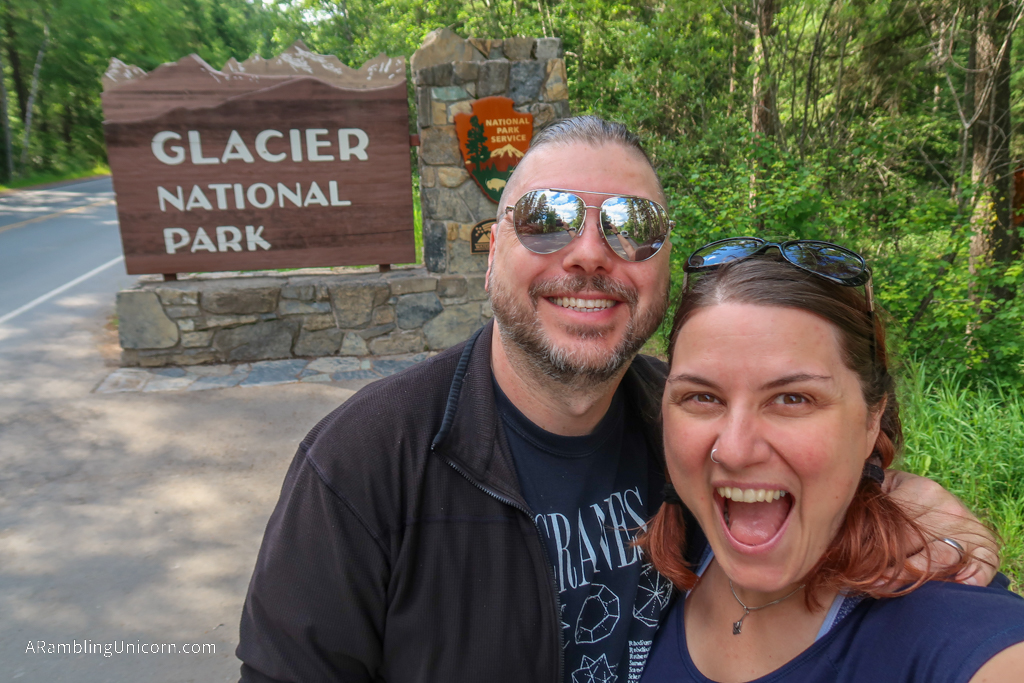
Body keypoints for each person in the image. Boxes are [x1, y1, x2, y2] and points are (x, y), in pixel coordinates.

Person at [236, 118, 993, 683]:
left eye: (632, 226)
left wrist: (890, 494)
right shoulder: (366, 462)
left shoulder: (692, 425)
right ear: (492, 251)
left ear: (663, 269)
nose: (591, 252)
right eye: (545, 220)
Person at [638, 239, 1024, 683]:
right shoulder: (667, 561)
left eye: (792, 398)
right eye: (703, 397)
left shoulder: (941, 612)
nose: (735, 450)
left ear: (871, 420)